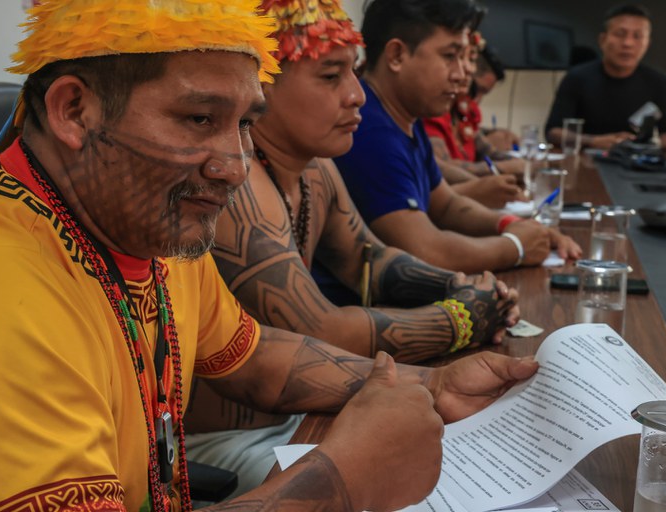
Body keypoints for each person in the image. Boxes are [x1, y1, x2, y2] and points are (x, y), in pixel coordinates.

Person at [0, 1, 540, 511]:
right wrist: (341, 479)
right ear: (73, 111)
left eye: (244, 124)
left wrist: (430, 383)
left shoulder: (146, 227)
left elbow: (255, 356)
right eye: (197, 118)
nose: (235, 168)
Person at [184, 0, 521, 494]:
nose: (357, 95)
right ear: (260, 88)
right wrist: (463, 318)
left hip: (296, 418)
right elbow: (319, 328)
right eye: (330, 76)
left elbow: (371, 259)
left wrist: (461, 285)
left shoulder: (316, 169)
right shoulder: (239, 185)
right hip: (224, 447)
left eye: (353, 75)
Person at [332, 0, 582, 275]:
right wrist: (516, 247)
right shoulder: (368, 130)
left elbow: (447, 205)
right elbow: (426, 251)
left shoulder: (404, 117)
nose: (462, 75)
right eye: (450, 56)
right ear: (396, 56)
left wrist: (512, 225)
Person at [545, 4, 666, 151]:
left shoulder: (659, 81)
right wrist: (594, 141)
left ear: (647, 43)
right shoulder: (576, 77)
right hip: (586, 159)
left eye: (637, 36)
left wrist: (646, 144)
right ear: (602, 40)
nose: (627, 43)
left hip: (636, 162)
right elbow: (553, 132)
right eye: (620, 34)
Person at [423, 32, 524, 209]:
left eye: (470, 59)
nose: (468, 69)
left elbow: (487, 150)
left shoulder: (463, 108)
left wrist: (524, 165)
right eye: (456, 58)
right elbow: (441, 167)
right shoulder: (432, 108)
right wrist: (504, 169)